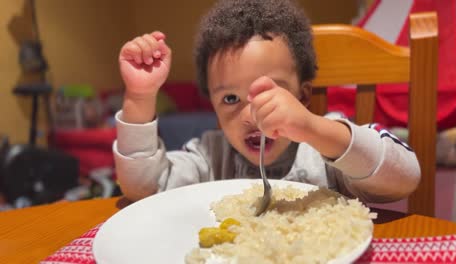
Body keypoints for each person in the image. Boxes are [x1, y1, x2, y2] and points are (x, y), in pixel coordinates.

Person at [113, 0, 420, 203]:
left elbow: (405, 177)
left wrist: (314, 128)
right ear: (215, 110)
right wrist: (139, 98)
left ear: (302, 96)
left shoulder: (326, 147)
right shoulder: (209, 157)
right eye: (230, 98)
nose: (252, 114)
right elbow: (145, 189)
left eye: (271, 91)